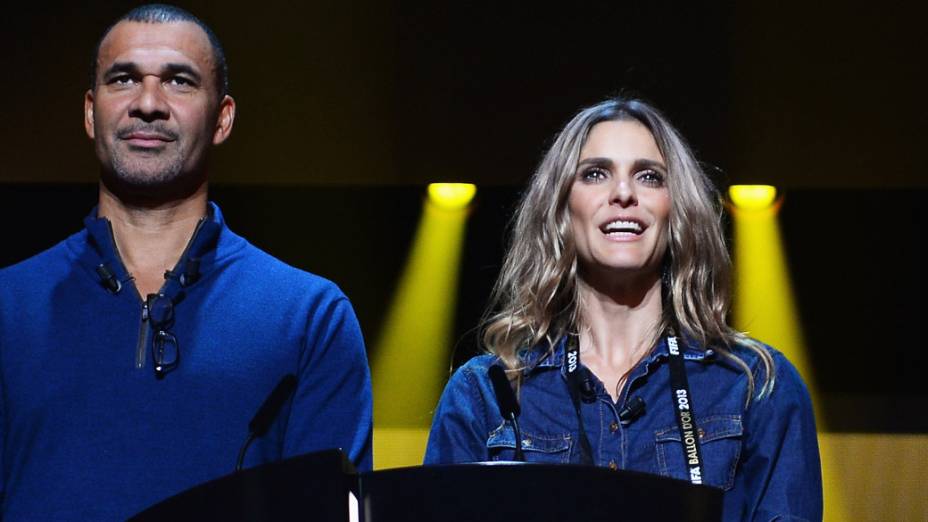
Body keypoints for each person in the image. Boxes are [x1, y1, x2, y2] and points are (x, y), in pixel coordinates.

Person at [0, 4, 372, 519]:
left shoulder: (309, 316)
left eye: (178, 81)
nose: (148, 103)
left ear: (222, 118)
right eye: (124, 79)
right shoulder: (8, 306)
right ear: (91, 112)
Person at [424, 98, 822, 520]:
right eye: (595, 173)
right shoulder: (486, 393)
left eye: (649, 176)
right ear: (561, 208)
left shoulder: (753, 386)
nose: (624, 193)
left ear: (677, 210)